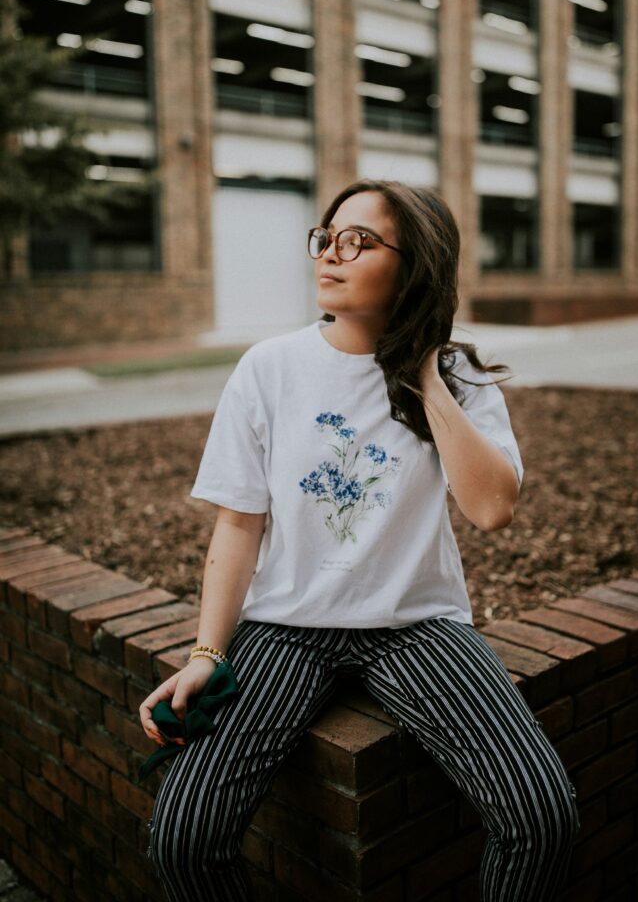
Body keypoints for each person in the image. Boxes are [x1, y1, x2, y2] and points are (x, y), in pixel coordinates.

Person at [139, 179, 580, 902]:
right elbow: (238, 523)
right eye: (327, 236)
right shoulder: (269, 367)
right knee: (183, 838)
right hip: (286, 628)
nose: (331, 254)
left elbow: (492, 509)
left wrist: (424, 377)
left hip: (416, 626)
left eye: (361, 241)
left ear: (416, 265)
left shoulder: (460, 377)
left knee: (542, 818)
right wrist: (205, 653)